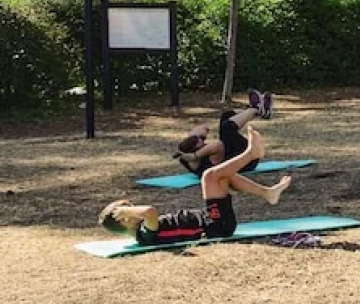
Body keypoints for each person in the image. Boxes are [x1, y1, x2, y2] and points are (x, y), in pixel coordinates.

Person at [100, 127, 290, 246]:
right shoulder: (145, 235)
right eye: (130, 210)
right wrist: (126, 210)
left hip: (213, 221)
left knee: (223, 176)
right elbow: (150, 211)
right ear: (125, 220)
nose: (134, 208)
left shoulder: (144, 231)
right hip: (214, 227)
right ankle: (251, 154)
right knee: (209, 176)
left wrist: (127, 210)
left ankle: (268, 193)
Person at [173, 89, 274, 175]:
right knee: (227, 128)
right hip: (248, 161)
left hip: (235, 154)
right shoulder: (202, 164)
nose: (201, 140)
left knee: (226, 116)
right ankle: (256, 109)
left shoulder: (192, 152)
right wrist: (196, 155)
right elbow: (218, 145)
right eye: (198, 142)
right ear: (195, 150)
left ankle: (260, 110)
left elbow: (203, 128)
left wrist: (194, 136)